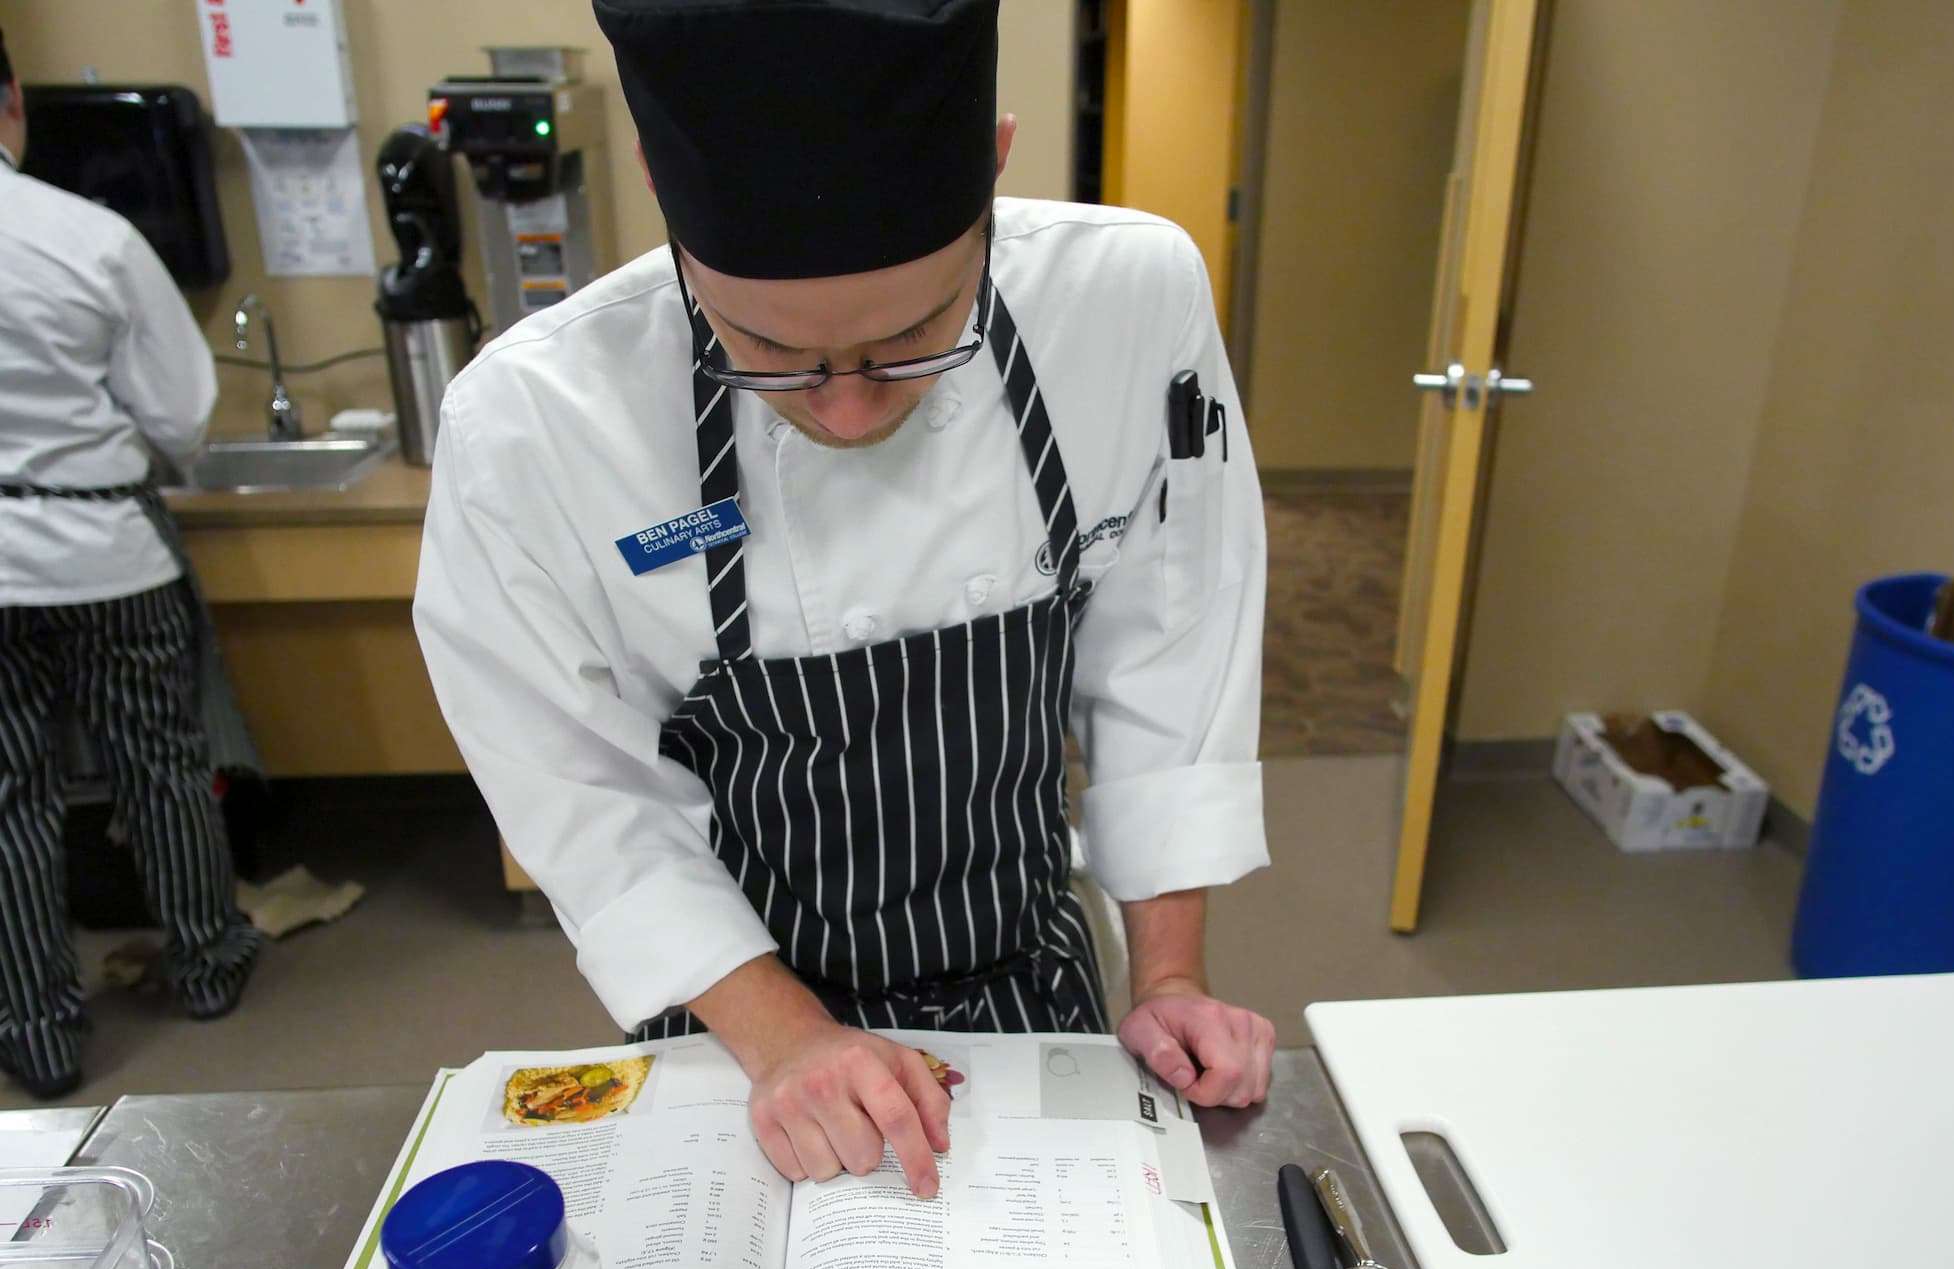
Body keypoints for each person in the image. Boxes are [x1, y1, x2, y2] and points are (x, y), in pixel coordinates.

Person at [414, 0, 1275, 1197]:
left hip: (1027, 970)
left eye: (915, 338)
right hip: (734, 1016)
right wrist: (786, 1038)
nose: (849, 409)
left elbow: (1169, 643)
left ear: (991, 163)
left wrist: (1170, 982)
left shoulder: (1126, 298)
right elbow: (578, 788)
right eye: (765, 349)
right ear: (663, 190)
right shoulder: (531, 422)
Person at [0, 31, 263, 1097]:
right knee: (161, 763)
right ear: (11, 100)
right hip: (102, 544)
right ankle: (206, 962)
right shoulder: (85, 238)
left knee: (8, 797)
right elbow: (182, 414)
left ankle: (37, 1028)